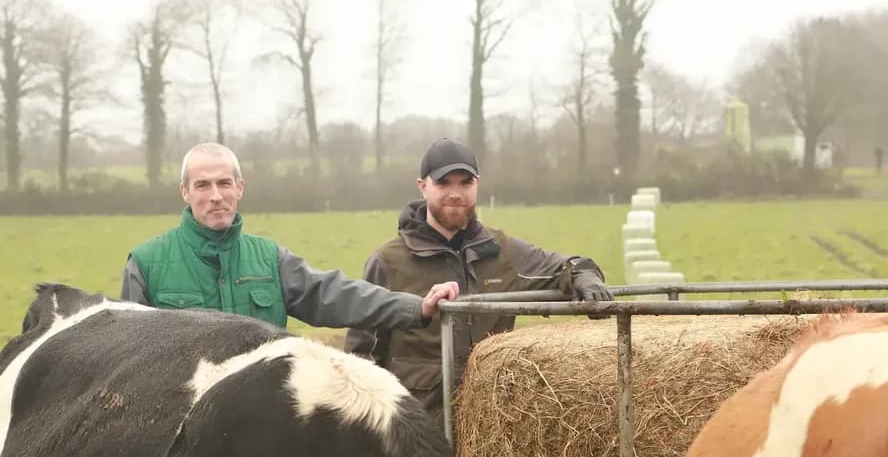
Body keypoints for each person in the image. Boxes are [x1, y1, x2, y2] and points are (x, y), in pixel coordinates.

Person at [344, 137, 613, 423]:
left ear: (477, 185)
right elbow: (361, 358)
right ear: (423, 187)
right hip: (417, 432)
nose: (455, 193)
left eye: (465, 183)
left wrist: (583, 276)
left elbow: (564, 266)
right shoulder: (387, 263)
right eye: (444, 183)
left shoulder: (503, 252)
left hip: (490, 431)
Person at [121, 142, 459, 333]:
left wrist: (417, 307)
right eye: (202, 185)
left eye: (224, 183)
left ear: (240, 188)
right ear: (184, 191)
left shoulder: (269, 259)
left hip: (261, 428)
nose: (215, 196)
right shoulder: (146, 264)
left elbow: (336, 295)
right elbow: (121, 359)